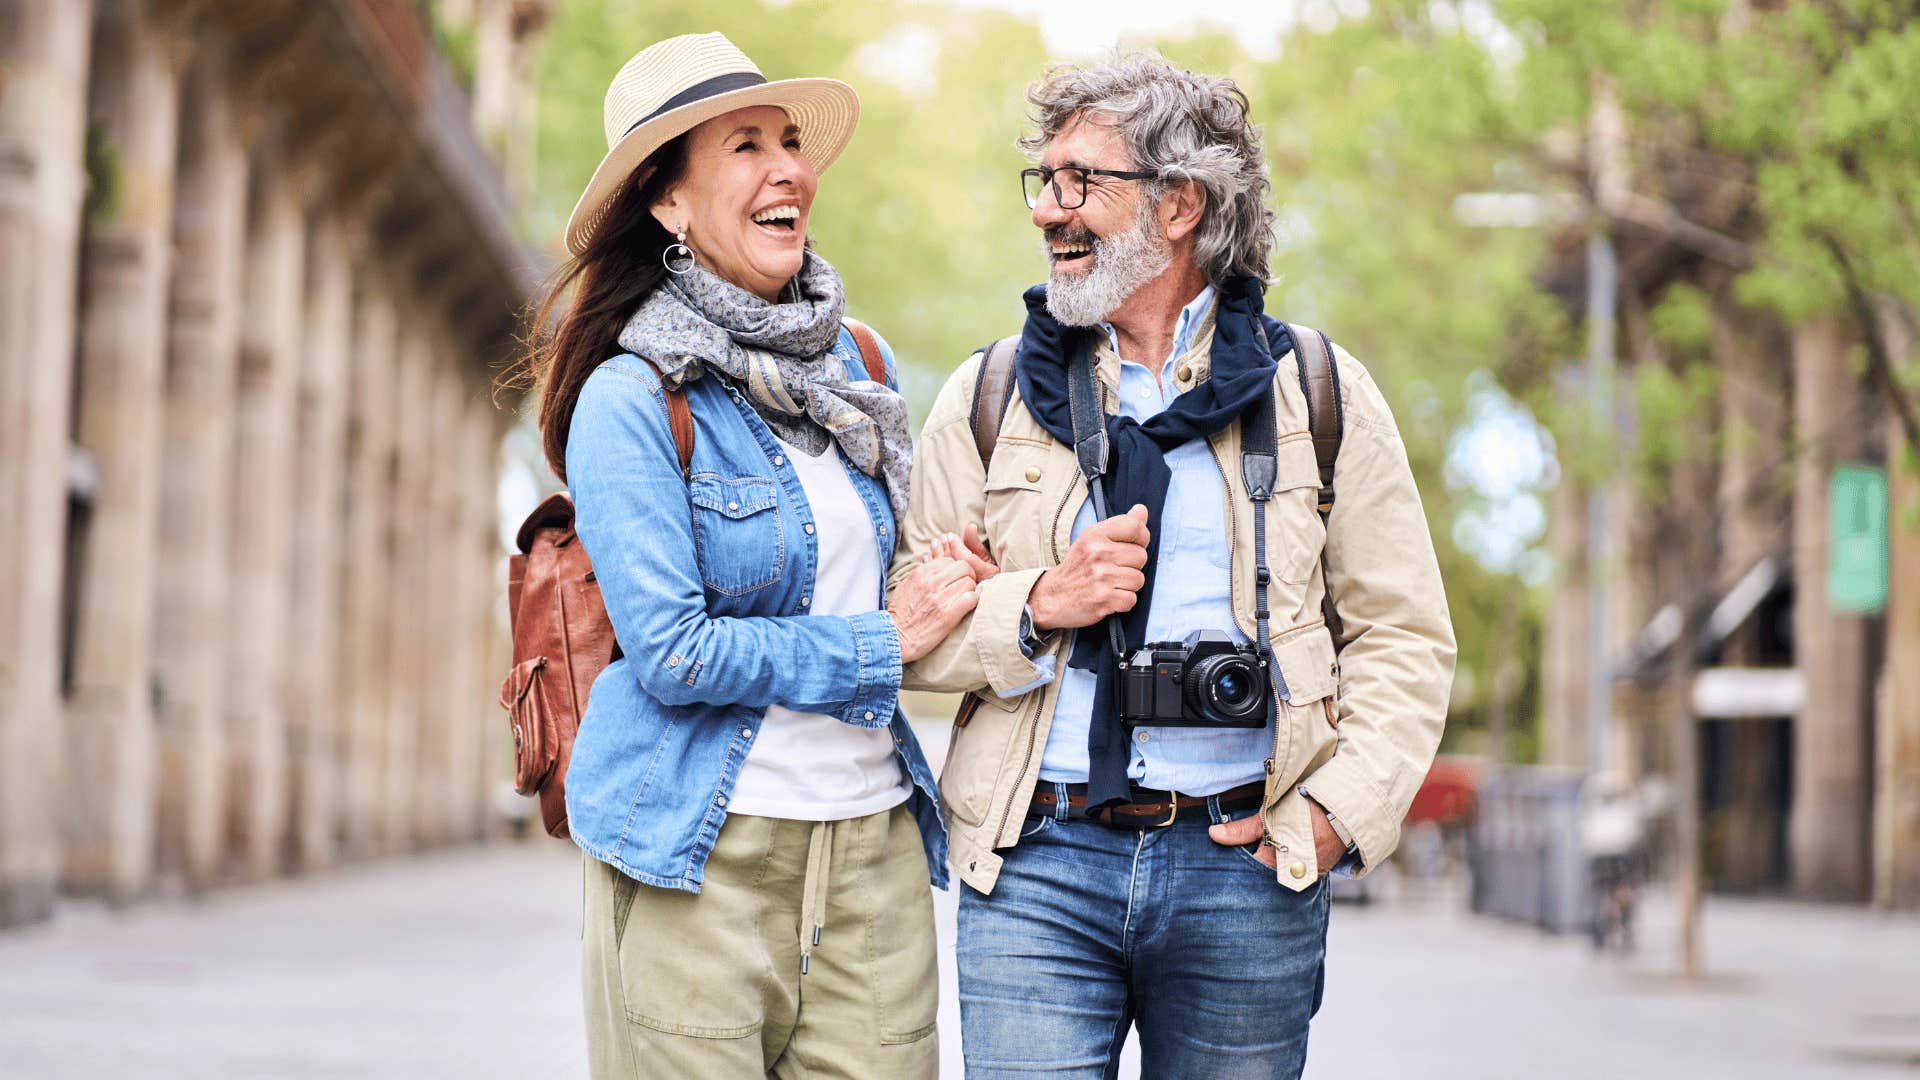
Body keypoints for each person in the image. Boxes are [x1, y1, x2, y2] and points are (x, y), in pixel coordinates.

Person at [892, 53, 1457, 1078]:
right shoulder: (989, 396)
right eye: (1044, 180)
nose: (1048, 211)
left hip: (1245, 863)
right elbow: (905, 633)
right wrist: (1036, 604)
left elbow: (1404, 635)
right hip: (1035, 865)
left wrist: (1335, 821)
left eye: (1080, 182)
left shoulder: (1318, 392)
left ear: (1181, 203)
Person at [524, 33, 964, 1079]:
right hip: (698, 857)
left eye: (790, 141)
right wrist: (879, 645)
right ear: (666, 204)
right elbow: (672, 652)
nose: (787, 170)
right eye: (743, 147)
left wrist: (953, 582)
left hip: (873, 859)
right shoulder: (631, 399)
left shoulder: (861, 365)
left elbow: (880, 573)